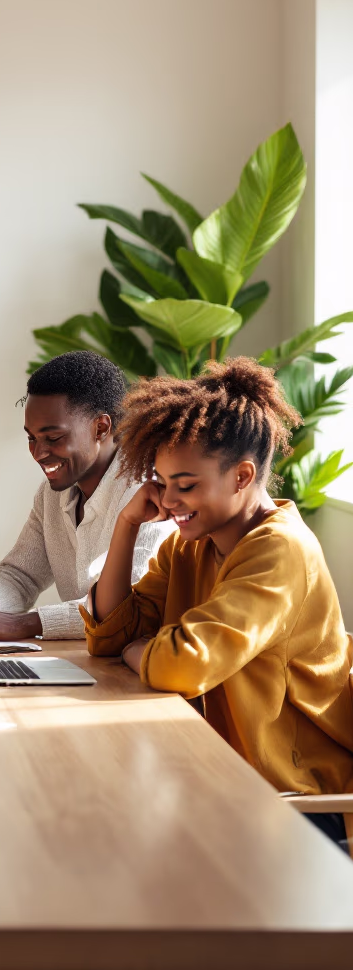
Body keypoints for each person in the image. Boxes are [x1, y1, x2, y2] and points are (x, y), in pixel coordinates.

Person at [83, 358, 353, 849]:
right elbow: (111, 632)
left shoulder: (280, 551)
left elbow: (181, 664)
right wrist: (126, 526)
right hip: (221, 776)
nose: (168, 502)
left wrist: (138, 652)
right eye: (161, 483)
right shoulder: (190, 544)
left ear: (242, 476)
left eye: (185, 486)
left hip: (295, 801)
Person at [0, 351, 174, 642]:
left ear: (101, 427)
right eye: (31, 438)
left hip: (146, 665)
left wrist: (25, 624)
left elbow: (130, 603)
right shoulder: (54, 493)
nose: (39, 453)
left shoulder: (151, 491)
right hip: (94, 661)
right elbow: (20, 575)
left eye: (53, 438)